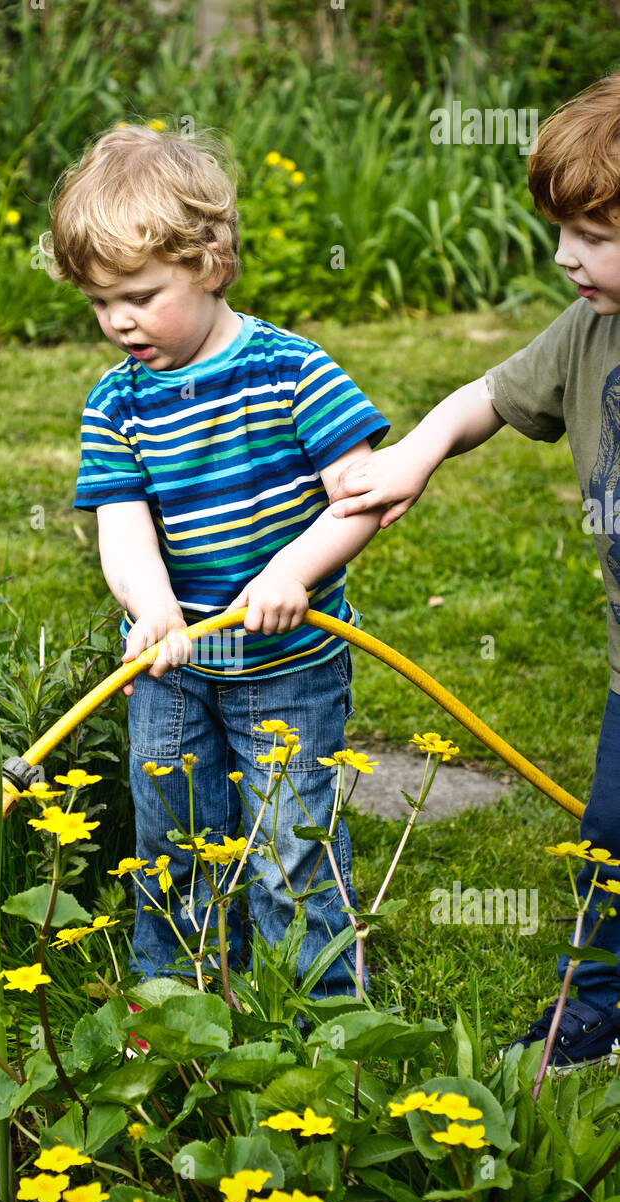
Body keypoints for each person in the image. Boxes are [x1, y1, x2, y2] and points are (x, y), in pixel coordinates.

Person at [41, 123, 390, 1000]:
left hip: (287, 668)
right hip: (169, 670)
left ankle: (321, 1014)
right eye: (98, 302)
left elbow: (364, 493)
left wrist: (293, 573)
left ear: (210, 261)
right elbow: (120, 526)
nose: (118, 320)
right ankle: (183, 1003)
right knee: (175, 839)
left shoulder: (289, 370)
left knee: (288, 843)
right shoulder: (115, 401)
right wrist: (152, 609)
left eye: (140, 295)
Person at [325, 72, 620, 1066]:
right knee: (609, 839)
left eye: (593, 233)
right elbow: (483, 397)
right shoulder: (586, 334)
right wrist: (413, 453)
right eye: (559, 228)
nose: (561, 255)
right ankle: (594, 1002)